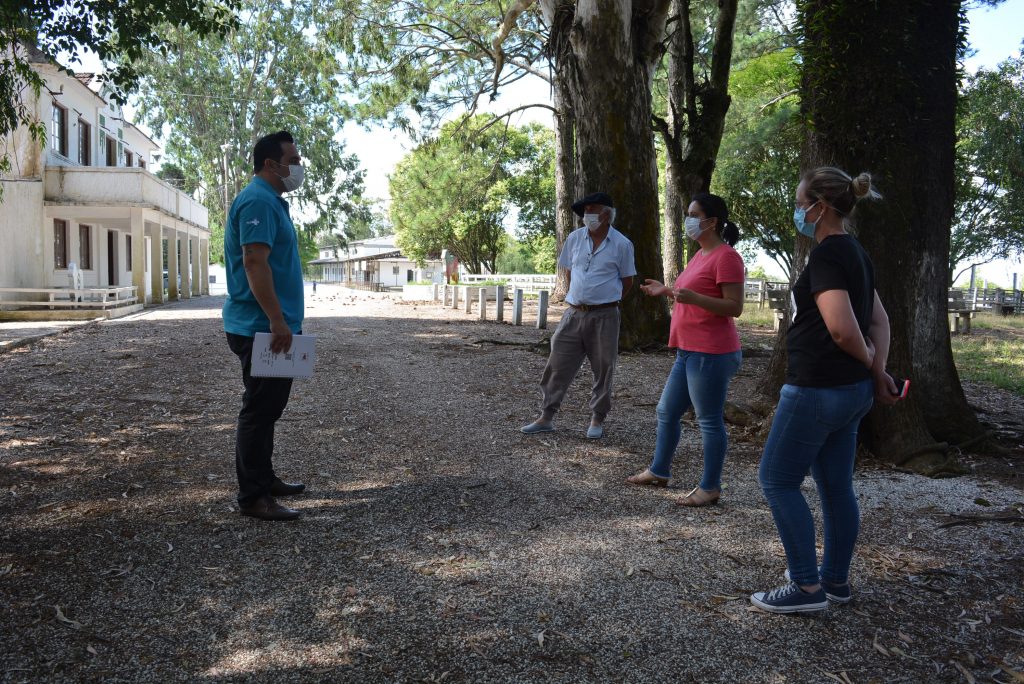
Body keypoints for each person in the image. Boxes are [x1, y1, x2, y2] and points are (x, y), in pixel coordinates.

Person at [750, 167, 899, 614]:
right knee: (835, 487)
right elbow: (880, 322)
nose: (797, 212)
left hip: (816, 390)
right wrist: (878, 372)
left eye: (800, 204)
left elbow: (841, 329)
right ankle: (834, 580)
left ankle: (806, 587)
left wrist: (870, 362)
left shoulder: (829, 256)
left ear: (819, 207)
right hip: (851, 393)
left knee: (777, 479)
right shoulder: (857, 254)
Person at [626, 193, 745, 506]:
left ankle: (710, 487)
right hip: (688, 350)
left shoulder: (727, 257)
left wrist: (695, 298)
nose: (688, 220)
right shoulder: (701, 254)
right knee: (666, 411)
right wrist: (667, 291)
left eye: (694, 215)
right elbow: (690, 294)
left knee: (708, 420)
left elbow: (735, 307)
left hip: (711, 352)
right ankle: (659, 470)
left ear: (712, 221)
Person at [223, 130, 308, 521]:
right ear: (271, 164)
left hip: (271, 325)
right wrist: (276, 320)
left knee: (270, 408)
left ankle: (265, 478)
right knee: (259, 410)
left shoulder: (271, 201)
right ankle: (254, 497)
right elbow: (254, 262)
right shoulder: (257, 200)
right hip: (261, 327)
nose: (298, 167)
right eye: (293, 160)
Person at [521, 192, 636, 439]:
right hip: (573, 313)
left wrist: (606, 299)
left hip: (605, 315)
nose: (587, 215)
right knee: (557, 364)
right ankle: (546, 416)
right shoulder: (574, 239)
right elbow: (569, 272)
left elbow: (627, 282)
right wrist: (580, 296)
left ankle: (597, 419)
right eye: (585, 211)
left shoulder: (622, 244)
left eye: (593, 209)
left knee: (604, 367)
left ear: (607, 214)